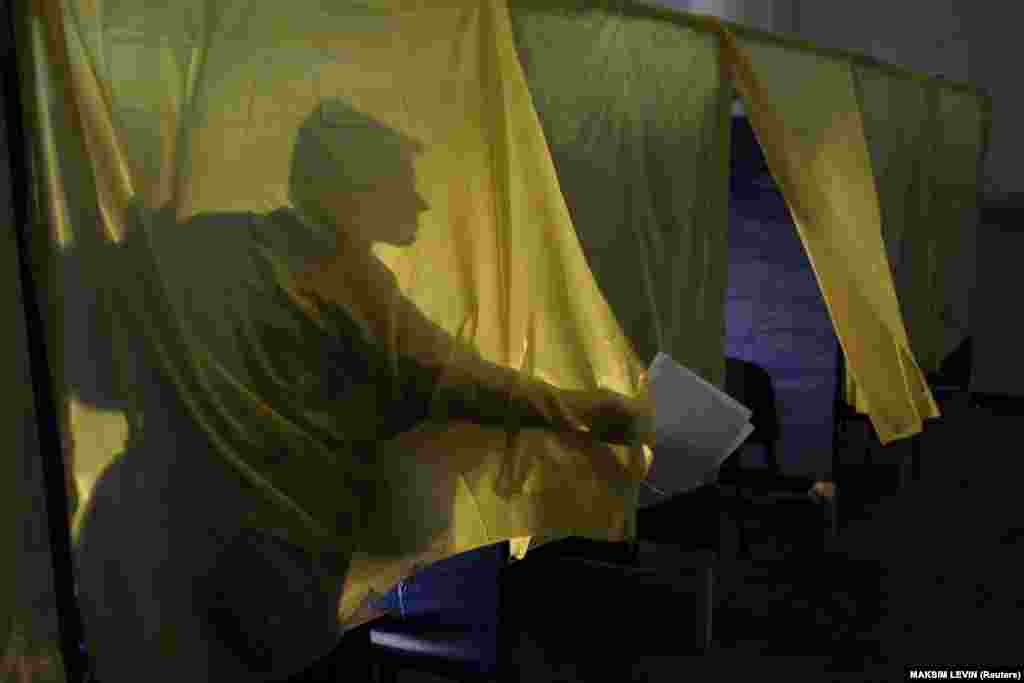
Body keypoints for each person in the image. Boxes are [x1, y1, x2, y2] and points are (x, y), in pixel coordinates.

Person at [71, 99, 653, 683]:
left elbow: (99, 370)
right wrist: (595, 413)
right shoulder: (347, 286)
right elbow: (470, 383)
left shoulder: (207, 244)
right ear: (354, 191)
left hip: (139, 549)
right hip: (255, 575)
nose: (421, 200)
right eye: (402, 183)